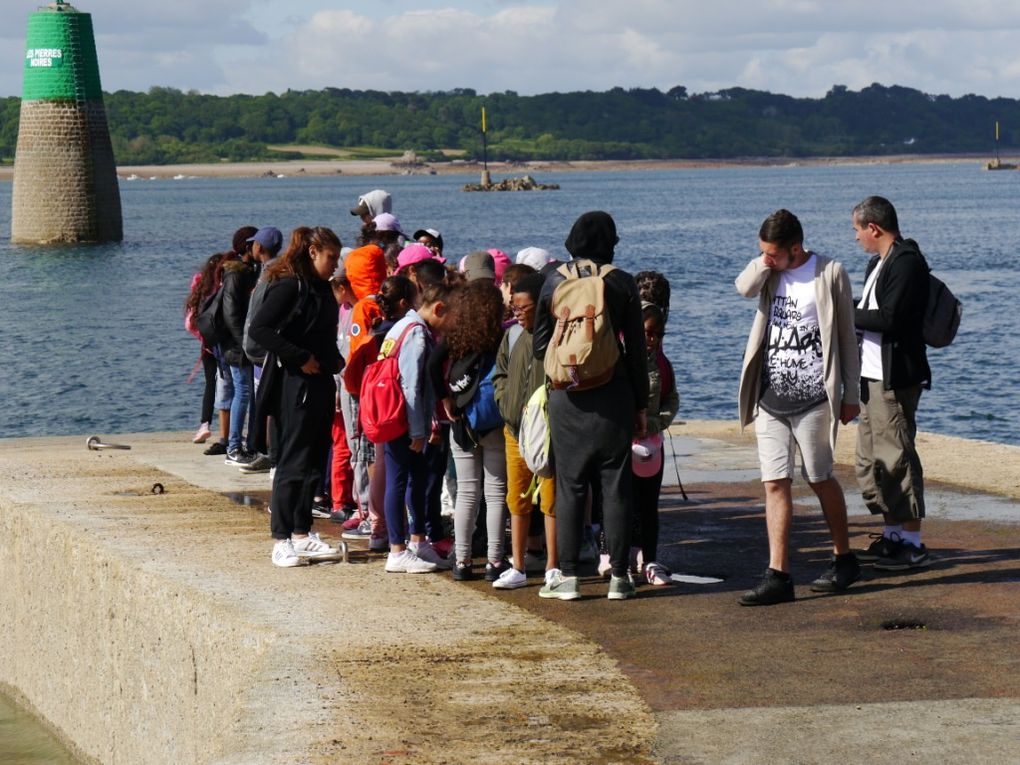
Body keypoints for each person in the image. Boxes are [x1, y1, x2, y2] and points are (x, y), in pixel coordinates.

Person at [735, 209, 861, 606]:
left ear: (796, 247)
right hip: (771, 397)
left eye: (774, 254)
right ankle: (778, 574)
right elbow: (743, 288)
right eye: (763, 253)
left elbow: (846, 335)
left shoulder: (830, 272)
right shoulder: (769, 271)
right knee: (774, 482)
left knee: (819, 476)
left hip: (814, 398)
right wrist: (764, 262)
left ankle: (843, 558)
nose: (767, 260)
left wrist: (850, 394)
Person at [532, 211, 649, 601]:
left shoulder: (553, 280)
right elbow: (636, 351)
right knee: (615, 485)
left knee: (570, 486)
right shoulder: (622, 282)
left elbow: (538, 345)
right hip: (613, 392)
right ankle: (619, 576)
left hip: (567, 394)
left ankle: (567, 577)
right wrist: (641, 404)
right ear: (610, 241)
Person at [248, 226, 345, 567]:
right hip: (294, 384)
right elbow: (259, 329)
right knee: (292, 461)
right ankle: (281, 538)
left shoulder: (321, 288)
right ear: (313, 252)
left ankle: (303, 532)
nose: (336, 264)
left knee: (315, 460)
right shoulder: (290, 286)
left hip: (320, 382)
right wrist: (298, 356)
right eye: (331, 257)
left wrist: (335, 359)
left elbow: (323, 335)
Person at [851, 196, 932, 570]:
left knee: (897, 457)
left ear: (874, 228)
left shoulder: (906, 263)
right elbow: (873, 313)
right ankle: (893, 536)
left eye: (857, 230)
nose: (856, 238)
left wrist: (844, 310)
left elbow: (889, 318)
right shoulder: (877, 263)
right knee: (872, 462)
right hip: (870, 377)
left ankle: (912, 543)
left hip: (894, 379)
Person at [432, 278, 509, 581]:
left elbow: (430, 367)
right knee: (495, 493)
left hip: (462, 420)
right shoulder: (501, 337)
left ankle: (462, 561)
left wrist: (446, 399)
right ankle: (494, 560)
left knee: (466, 493)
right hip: (493, 419)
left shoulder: (455, 336)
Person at [378, 282, 451, 573]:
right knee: (398, 480)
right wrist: (418, 430)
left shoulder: (400, 326)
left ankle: (417, 541)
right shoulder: (417, 333)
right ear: (438, 309)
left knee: (416, 478)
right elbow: (411, 385)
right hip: (403, 420)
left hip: (394, 414)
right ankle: (397, 549)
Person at [492, 273, 558, 589]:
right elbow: (500, 373)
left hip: (548, 432)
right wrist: (506, 404)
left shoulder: (556, 335)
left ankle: (552, 566)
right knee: (516, 498)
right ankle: (517, 565)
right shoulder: (513, 335)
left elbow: (569, 375)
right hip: (514, 430)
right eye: (514, 307)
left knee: (551, 500)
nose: (517, 313)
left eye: (523, 307)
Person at [630, 301, 679, 586]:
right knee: (624, 504)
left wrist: (658, 422)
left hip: (652, 444)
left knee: (649, 505)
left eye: (659, 334)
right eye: (648, 332)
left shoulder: (662, 362)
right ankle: (618, 559)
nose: (653, 339)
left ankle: (650, 560)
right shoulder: (621, 359)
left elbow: (672, 397)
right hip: (625, 443)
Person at [183, 252, 228, 444]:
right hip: (225, 342)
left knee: (211, 384)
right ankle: (228, 431)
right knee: (229, 386)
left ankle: (204, 425)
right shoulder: (222, 287)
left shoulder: (200, 286)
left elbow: (191, 321)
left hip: (207, 343)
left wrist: (204, 338)